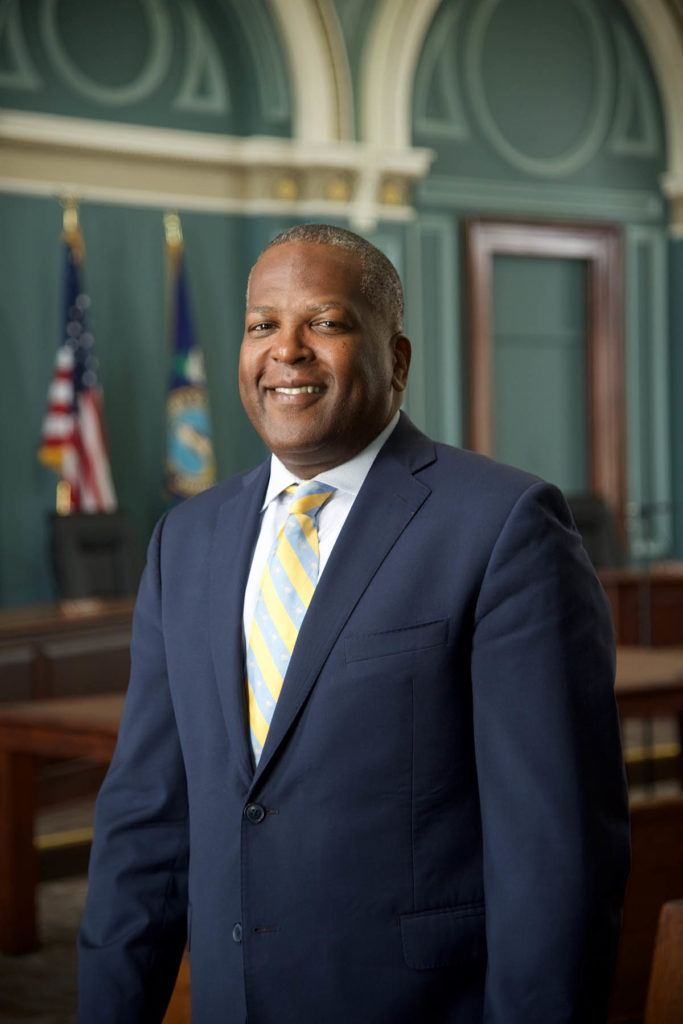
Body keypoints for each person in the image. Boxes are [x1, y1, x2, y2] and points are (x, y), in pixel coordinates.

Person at [78, 223, 630, 1023]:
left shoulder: (503, 525)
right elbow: (146, 827)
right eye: (262, 324)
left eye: (325, 323)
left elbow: (554, 853)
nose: (286, 351)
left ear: (396, 359)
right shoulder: (185, 541)